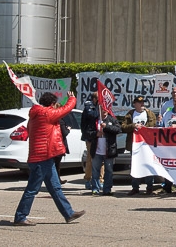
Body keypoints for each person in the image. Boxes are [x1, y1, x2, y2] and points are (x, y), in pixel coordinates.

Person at [13, 91, 85, 226]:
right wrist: (72, 98)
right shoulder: (46, 114)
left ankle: (68, 213)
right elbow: (66, 109)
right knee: (32, 189)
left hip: (42, 156)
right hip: (42, 157)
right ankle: (20, 217)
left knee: (55, 187)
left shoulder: (36, 114)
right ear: (52, 104)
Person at [123, 96, 157, 195]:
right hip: (134, 144)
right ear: (135, 104)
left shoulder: (150, 114)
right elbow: (123, 127)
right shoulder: (130, 114)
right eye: (139, 103)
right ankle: (135, 187)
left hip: (146, 144)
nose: (142, 105)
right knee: (135, 166)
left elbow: (154, 127)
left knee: (148, 165)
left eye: (143, 103)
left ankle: (149, 187)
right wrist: (133, 126)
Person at [90, 109, 121, 196]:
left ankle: (107, 189)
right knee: (95, 170)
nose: (103, 112)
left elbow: (118, 129)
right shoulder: (95, 120)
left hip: (109, 150)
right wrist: (95, 134)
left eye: (105, 111)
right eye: (102, 110)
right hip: (97, 150)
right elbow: (87, 132)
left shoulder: (112, 119)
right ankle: (95, 189)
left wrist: (106, 126)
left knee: (109, 170)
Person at [80, 92, 100, 190]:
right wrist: (100, 109)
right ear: (95, 99)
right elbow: (94, 115)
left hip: (100, 136)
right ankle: (88, 179)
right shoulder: (89, 107)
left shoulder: (100, 107)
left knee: (101, 158)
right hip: (90, 136)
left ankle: (100, 180)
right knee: (90, 158)